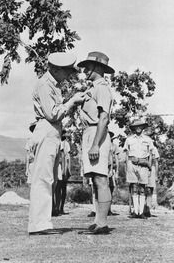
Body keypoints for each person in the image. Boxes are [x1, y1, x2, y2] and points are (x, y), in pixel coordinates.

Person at [28, 52, 85, 235]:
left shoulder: (53, 85)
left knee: (48, 179)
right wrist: (72, 102)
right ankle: (38, 224)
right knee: (42, 179)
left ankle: (42, 222)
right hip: (46, 129)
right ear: (56, 69)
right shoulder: (45, 85)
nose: (68, 75)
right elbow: (52, 113)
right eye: (66, 71)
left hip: (52, 132)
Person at [77, 51, 114, 235]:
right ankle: (98, 220)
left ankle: (103, 223)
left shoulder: (102, 88)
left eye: (88, 66)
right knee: (95, 178)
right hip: (90, 132)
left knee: (101, 179)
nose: (85, 70)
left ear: (98, 68)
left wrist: (95, 145)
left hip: (97, 132)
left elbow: (104, 118)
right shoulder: (93, 88)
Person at [124, 119, 154, 219]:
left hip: (143, 163)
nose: (138, 128)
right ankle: (135, 212)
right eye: (136, 126)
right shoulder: (129, 139)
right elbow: (126, 153)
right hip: (132, 163)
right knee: (134, 187)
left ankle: (141, 212)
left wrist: (149, 166)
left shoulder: (148, 139)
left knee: (142, 188)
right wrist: (127, 166)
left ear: (142, 128)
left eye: (140, 126)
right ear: (133, 128)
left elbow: (151, 154)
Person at [53, 130, 71, 216]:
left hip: (63, 167)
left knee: (63, 188)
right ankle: (55, 207)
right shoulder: (56, 141)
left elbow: (66, 158)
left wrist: (66, 169)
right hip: (57, 166)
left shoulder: (65, 144)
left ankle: (61, 207)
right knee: (56, 188)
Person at [144, 128, 160, 217]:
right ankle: (139, 209)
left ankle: (147, 209)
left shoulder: (154, 149)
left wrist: (156, 175)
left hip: (151, 169)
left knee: (150, 189)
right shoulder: (141, 147)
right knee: (141, 189)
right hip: (142, 169)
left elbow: (156, 163)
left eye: (150, 136)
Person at [108, 131, 120, 216]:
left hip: (112, 169)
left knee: (111, 188)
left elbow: (117, 159)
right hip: (103, 168)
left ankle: (109, 208)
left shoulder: (114, 146)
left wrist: (117, 172)